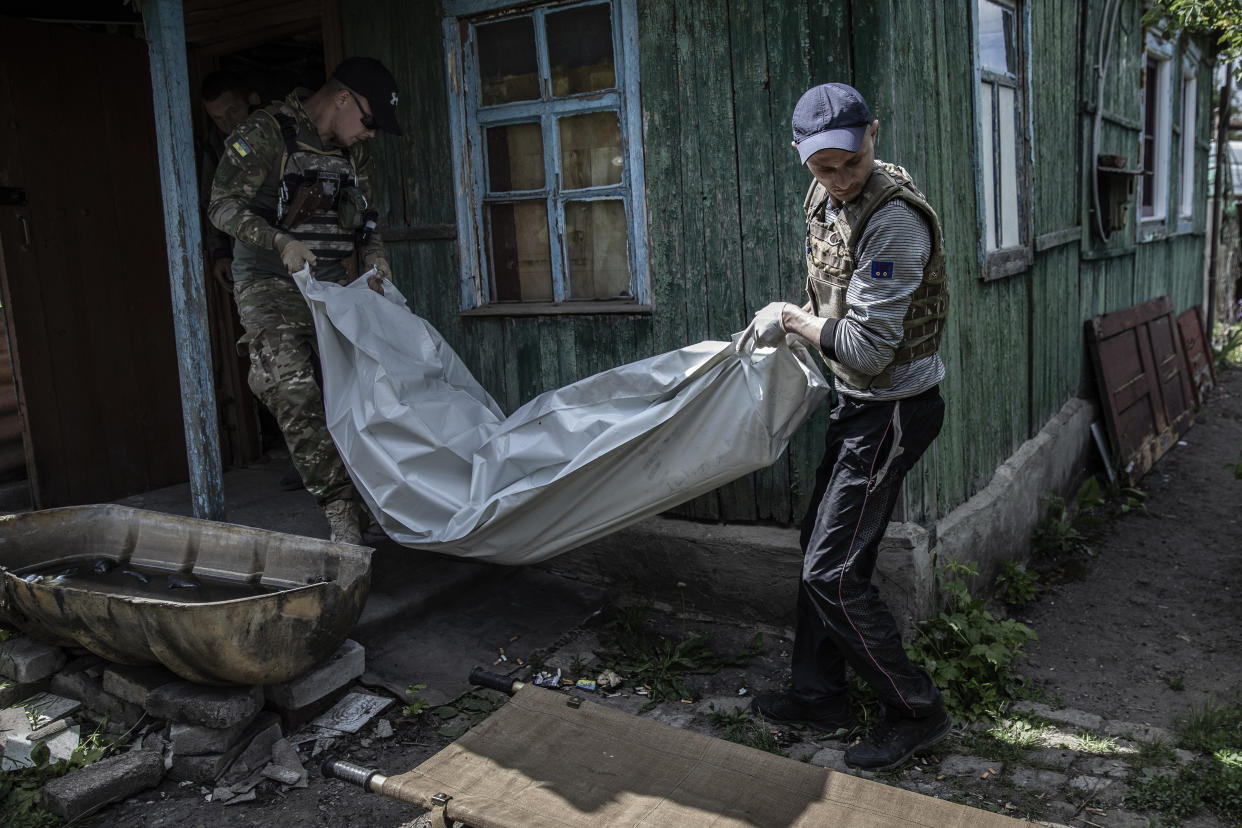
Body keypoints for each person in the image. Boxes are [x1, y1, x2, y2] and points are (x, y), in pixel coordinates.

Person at [738, 82, 951, 771]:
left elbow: (865, 348)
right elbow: (827, 289)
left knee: (832, 572)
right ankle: (818, 693)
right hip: (856, 403)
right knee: (818, 549)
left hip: (892, 412)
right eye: (820, 168)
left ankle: (915, 710)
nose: (835, 181)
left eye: (849, 165)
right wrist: (795, 325)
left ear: (873, 136)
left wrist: (792, 321)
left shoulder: (894, 223)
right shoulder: (823, 196)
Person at [208, 57, 401, 544]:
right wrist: (279, 241)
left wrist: (375, 258)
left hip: (332, 283)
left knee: (368, 386)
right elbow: (222, 204)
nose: (371, 134)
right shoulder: (267, 132)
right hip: (271, 284)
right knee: (292, 389)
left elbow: (368, 216)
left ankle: (380, 495)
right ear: (342, 99)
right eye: (370, 120)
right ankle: (340, 508)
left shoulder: (352, 151)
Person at [199, 70, 262, 291]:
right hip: (246, 255)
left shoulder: (282, 132)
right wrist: (221, 253)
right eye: (217, 119)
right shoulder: (217, 145)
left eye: (233, 111)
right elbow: (212, 202)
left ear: (252, 100)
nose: (228, 124)